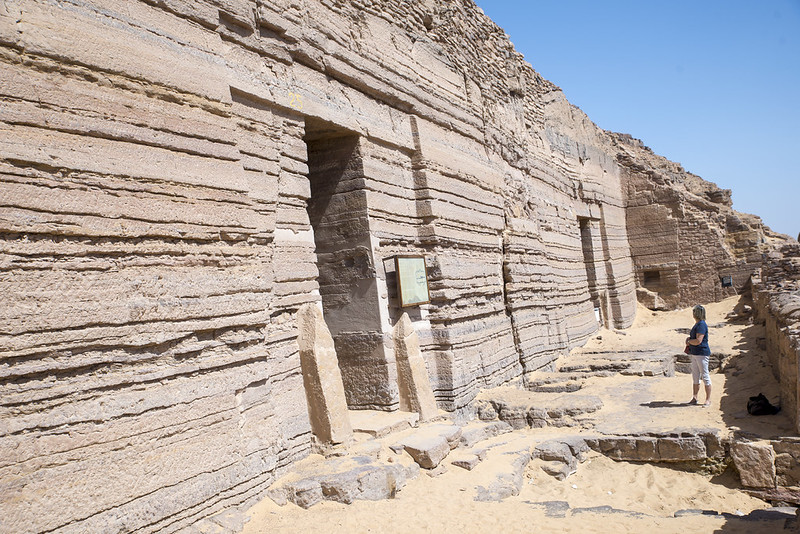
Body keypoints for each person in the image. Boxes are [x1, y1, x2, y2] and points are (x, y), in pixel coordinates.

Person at [685, 304, 712, 407]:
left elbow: (698, 341)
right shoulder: (698, 324)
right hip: (696, 354)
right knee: (695, 376)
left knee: (705, 376)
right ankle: (695, 397)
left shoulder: (701, 325)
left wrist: (689, 342)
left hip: (701, 353)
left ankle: (708, 399)